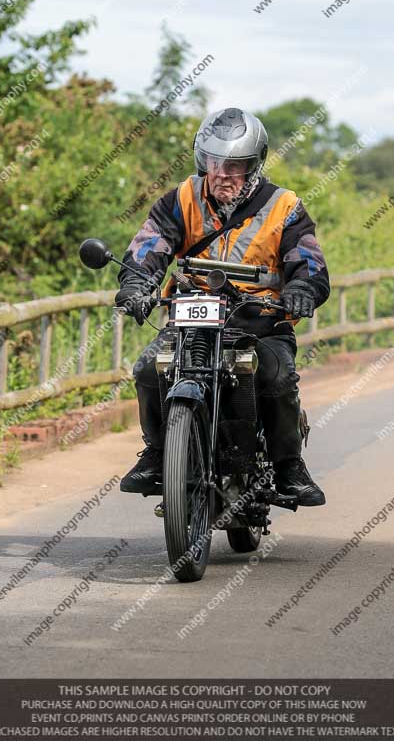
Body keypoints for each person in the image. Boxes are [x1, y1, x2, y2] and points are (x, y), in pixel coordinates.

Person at [115, 107, 330, 506]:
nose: (222, 174)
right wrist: (136, 282)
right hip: (192, 316)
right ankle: (159, 452)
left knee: (277, 378)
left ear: (255, 165)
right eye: (214, 163)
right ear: (202, 160)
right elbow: (151, 245)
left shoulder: (285, 207)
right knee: (147, 369)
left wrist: (302, 288)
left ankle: (288, 466)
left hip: (260, 318)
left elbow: (309, 262)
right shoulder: (182, 199)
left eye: (235, 166)